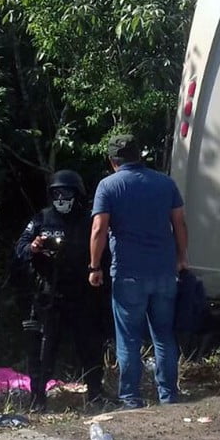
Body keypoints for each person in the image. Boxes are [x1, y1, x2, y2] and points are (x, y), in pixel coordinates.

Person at [88, 135, 188, 409]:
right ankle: (169, 396)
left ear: (112, 161)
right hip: (164, 272)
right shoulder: (165, 183)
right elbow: (179, 224)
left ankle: (131, 398)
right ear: (139, 156)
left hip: (128, 273)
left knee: (129, 338)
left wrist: (95, 266)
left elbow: (99, 229)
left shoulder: (108, 186)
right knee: (164, 336)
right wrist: (181, 258)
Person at [14, 170, 109, 411]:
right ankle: (38, 399)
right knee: (44, 349)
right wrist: (34, 247)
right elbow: (20, 248)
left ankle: (96, 393)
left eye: (66, 193)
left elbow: (105, 253)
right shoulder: (41, 219)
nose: (61, 198)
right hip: (48, 296)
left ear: (77, 195)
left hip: (83, 295)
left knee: (90, 346)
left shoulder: (89, 222)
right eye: (56, 193)